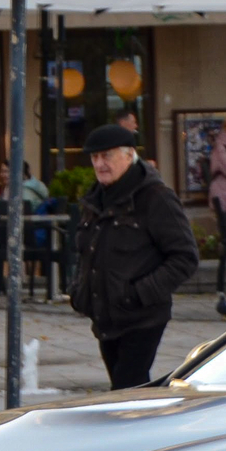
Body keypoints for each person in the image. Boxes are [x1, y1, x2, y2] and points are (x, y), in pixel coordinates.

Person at [68, 123, 200, 389]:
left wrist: (140, 293)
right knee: (129, 392)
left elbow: (185, 257)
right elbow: (86, 253)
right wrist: (79, 291)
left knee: (127, 388)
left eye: (107, 156)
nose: (100, 164)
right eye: (95, 157)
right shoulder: (96, 199)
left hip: (142, 317)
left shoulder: (155, 197)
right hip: (105, 317)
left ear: (129, 156)